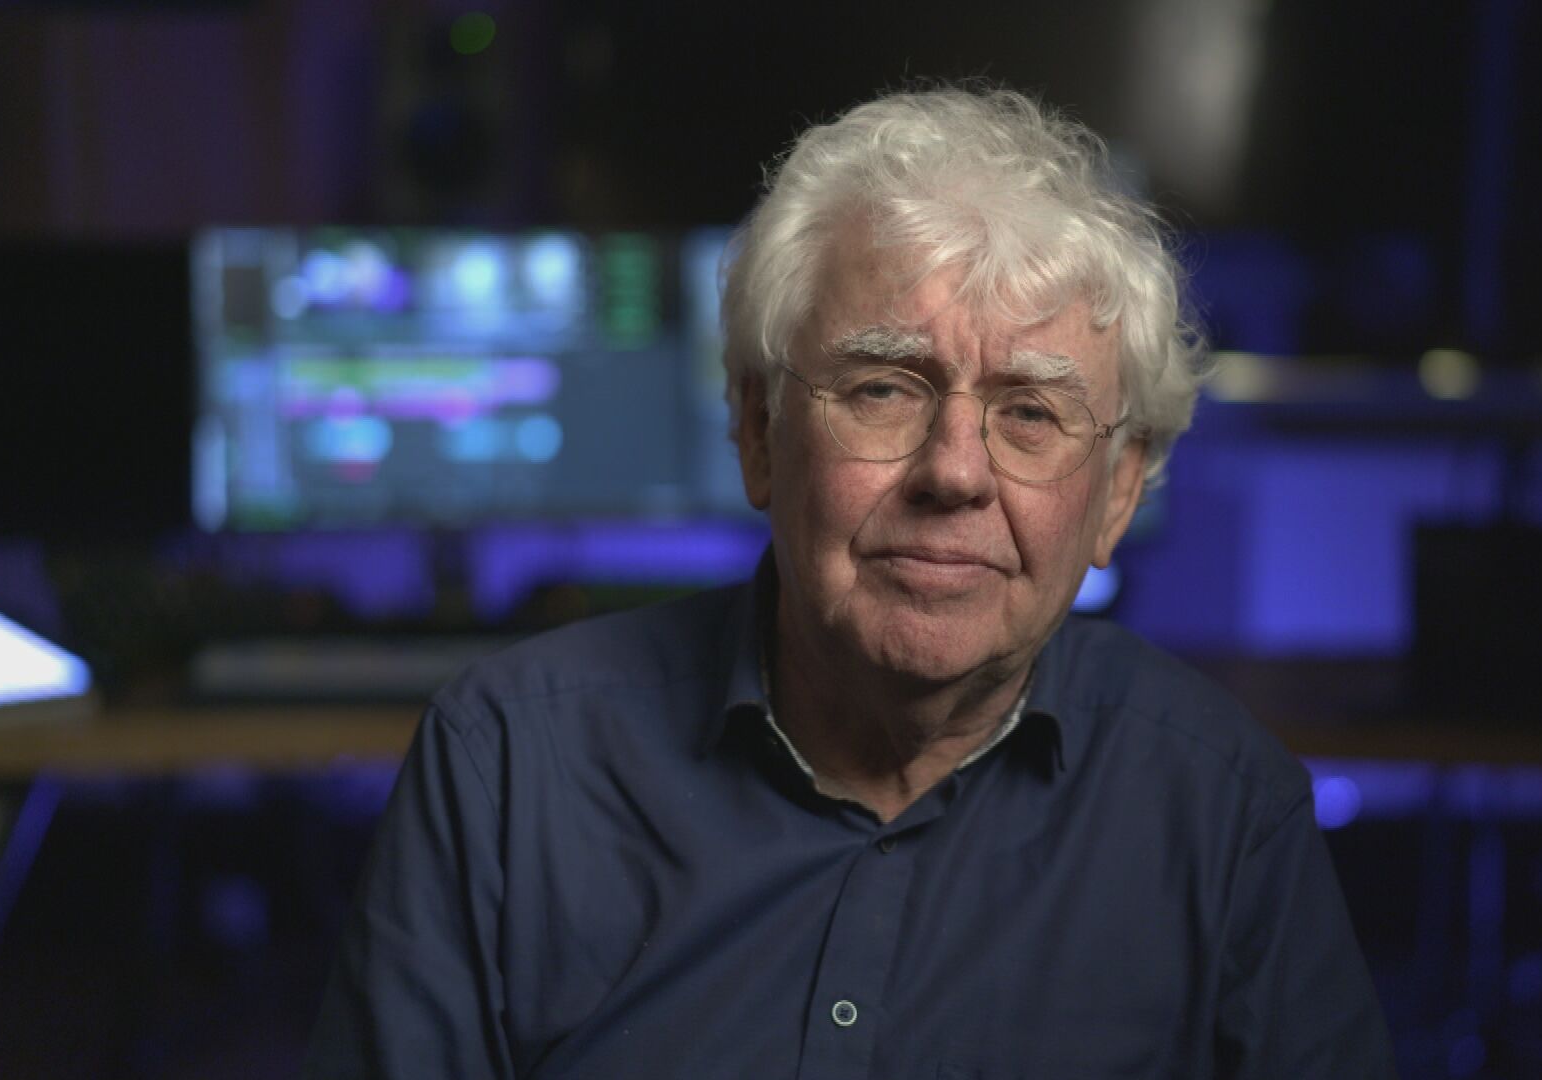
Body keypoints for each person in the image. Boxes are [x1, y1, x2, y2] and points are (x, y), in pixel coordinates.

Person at [303, 85, 1397, 1079]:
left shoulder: (1226, 813)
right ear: (757, 431)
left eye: (1031, 412)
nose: (955, 473)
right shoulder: (506, 769)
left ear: (1117, 494)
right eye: (883, 389)